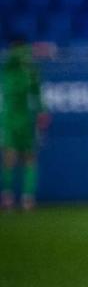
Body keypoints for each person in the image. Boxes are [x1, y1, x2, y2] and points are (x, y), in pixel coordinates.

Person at [0, 37, 48, 212]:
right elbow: (14, 56)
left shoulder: (32, 71)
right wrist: (36, 49)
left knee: (30, 157)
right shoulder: (8, 66)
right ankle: (7, 197)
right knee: (9, 157)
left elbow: (38, 94)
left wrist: (43, 111)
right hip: (9, 118)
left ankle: (28, 198)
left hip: (27, 119)